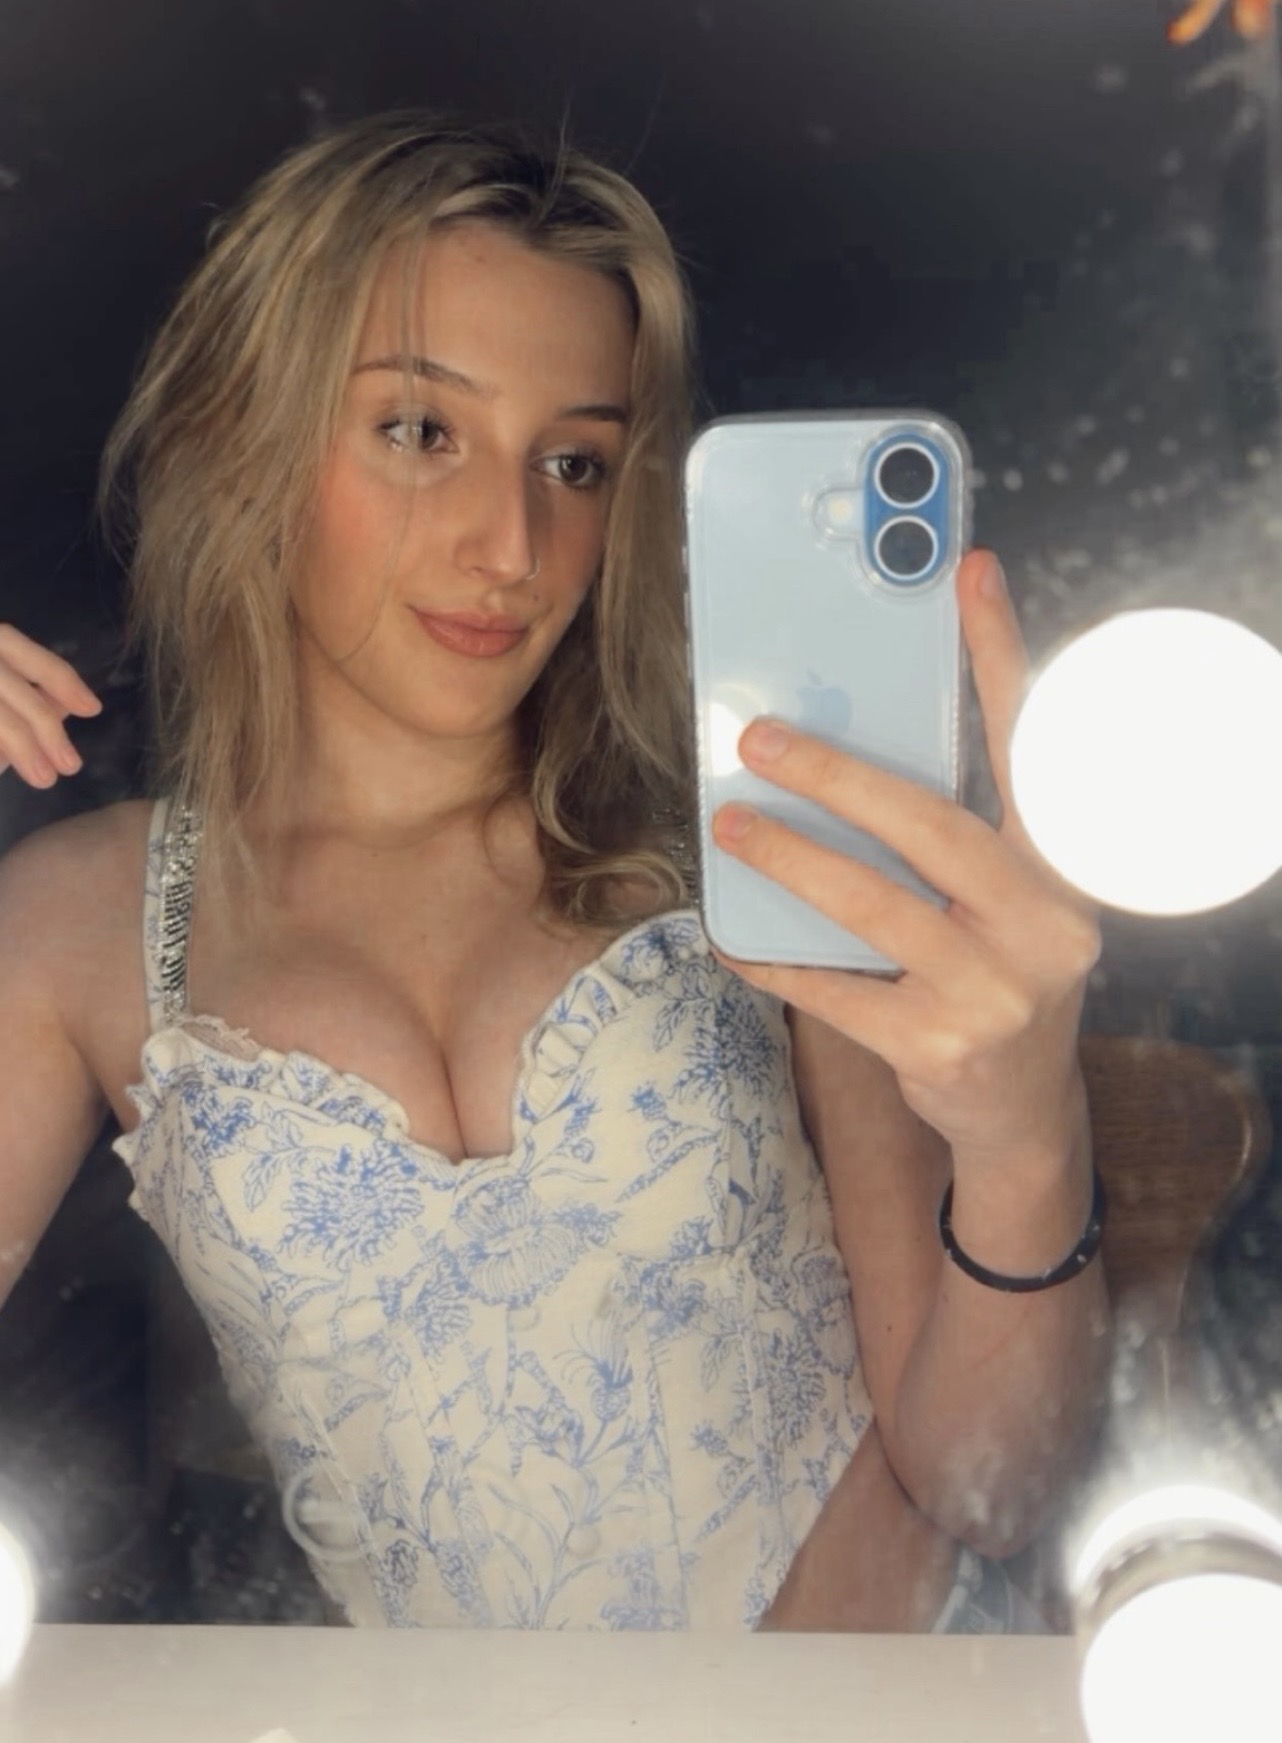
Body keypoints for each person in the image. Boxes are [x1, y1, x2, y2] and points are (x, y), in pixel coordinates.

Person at [0, 112, 1108, 1632]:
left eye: (574, 461)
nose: (513, 544)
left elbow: (989, 1488)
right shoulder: (83, 924)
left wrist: (1029, 1138)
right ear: (240, 432)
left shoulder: (758, 850)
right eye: (419, 431)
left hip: (885, 1702)